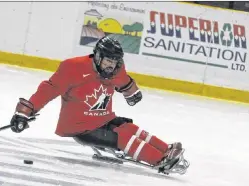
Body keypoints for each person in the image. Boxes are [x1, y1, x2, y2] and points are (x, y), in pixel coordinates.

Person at [10, 36, 183, 168]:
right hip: (80, 127)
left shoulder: (116, 69)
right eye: (108, 61)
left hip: (103, 119)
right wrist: (24, 112)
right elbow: (48, 89)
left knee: (129, 128)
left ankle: (166, 149)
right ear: (98, 57)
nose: (111, 66)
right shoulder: (73, 67)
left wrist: (132, 92)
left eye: (115, 62)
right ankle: (160, 160)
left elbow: (123, 80)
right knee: (123, 136)